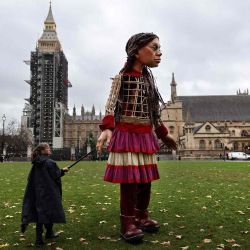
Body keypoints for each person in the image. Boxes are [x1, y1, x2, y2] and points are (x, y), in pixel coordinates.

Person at [96, 33, 177, 243]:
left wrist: (164, 134)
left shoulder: (149, 80)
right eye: (154, 47)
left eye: (159, 47)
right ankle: (127, 223)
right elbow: (111, 104)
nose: (159, 52)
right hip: (126, 134)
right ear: (137, 51)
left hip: (144, 135)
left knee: (146, 180)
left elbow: (154, 113)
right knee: (130, 182)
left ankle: (142, 215)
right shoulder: (122, 77)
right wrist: (107, 128)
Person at [21, 143, 69, 247]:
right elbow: (56, 174)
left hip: (38, 192)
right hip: (49, 192)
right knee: (48, 212)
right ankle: (43, 237)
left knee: (41, 213)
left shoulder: (36, 162)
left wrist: (61, 171)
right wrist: (63, 171)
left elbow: (31, 178)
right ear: (42, 151)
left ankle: (45, 235)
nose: (49, 149)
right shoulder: (49, 162)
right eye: (47, 148)